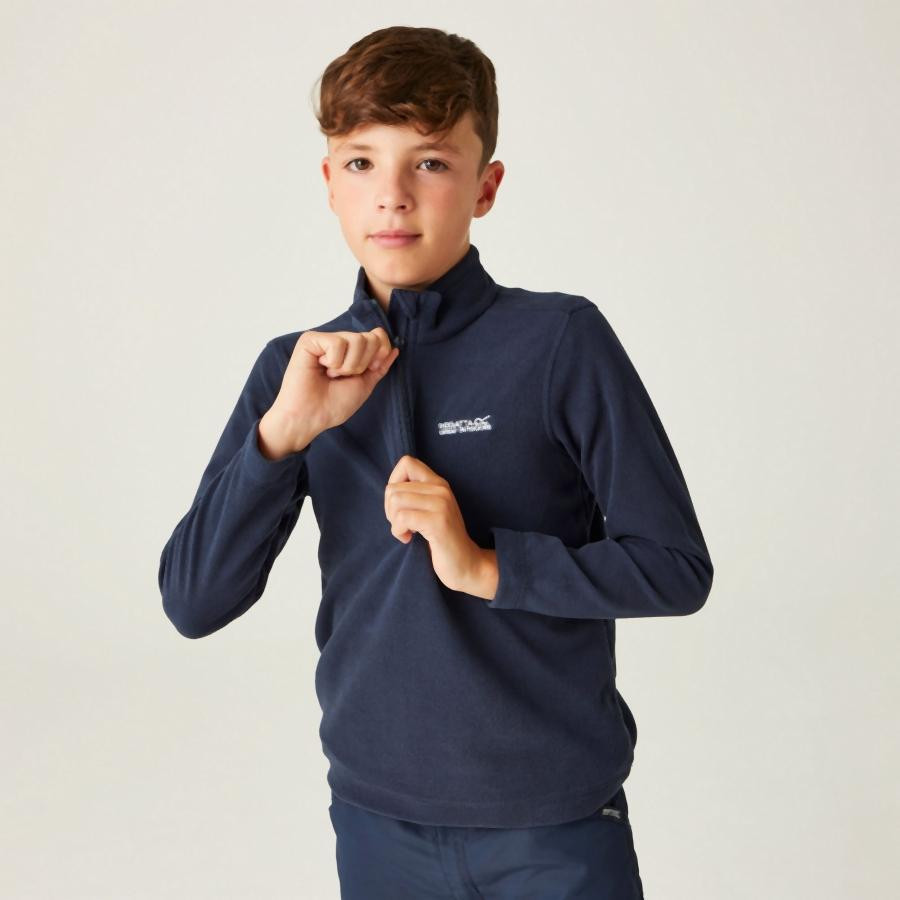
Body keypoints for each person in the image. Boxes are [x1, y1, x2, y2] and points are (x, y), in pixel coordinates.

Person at [158, 24, 714, 900]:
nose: (392, 197)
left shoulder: (560, 341)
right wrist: (282, 436)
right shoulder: (295, 370)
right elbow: (193, 603)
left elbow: (676, 568)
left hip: (553, 824)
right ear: (328, 183)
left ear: (485, 187)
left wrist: (487, 566)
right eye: (361, 163)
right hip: (377, 824)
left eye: (430, 163)